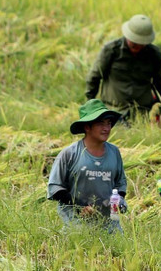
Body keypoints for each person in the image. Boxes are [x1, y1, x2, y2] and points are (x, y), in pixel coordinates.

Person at [47, 99, 128, 232]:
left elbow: (120, 183)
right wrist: (80, 208)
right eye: (101, 123)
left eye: (109, 123)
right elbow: (55, 188)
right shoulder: (69, 154)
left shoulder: (114, 152)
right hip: (76, 226)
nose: (107, 128)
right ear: (87, 127)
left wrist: (119, 200)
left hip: (109, 226)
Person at [85, 14, 161, 118]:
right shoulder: (111, 50)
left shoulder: (154, 55)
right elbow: (94, 77)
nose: (137, 48)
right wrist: (90, 104)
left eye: (141, 44)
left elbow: (160, 84)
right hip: (113, 111)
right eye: (134, 44)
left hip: (142, 113)